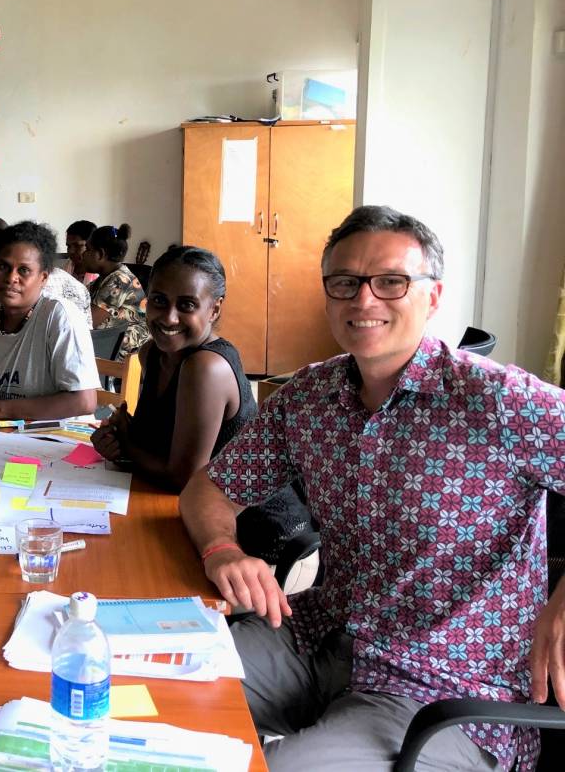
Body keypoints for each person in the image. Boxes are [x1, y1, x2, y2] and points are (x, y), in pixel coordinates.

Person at [179, 206, 565, 771]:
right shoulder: (310, 396)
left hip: (439, 689)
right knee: (141, 689)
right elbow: (207, 491)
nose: (364, 300)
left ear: (433, 297)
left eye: (391, 282)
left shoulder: (498, 402)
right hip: (315, 640)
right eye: (345, 283)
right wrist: (223, 550)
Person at [91, 245, 254, 491]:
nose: (169, 318)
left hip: (244, 519)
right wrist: (115, 439)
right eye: (159, 301)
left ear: (215, 309)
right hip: (184, 505)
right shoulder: (151, 353)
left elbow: (184, 478)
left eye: (187, 305)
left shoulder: (206, 367)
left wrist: (127, 443)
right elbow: (156, 443)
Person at [0, 221, 99, 421]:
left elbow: (84, 402)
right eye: (3, 266)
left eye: (24, 270)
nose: (11, 278)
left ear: (43, 278)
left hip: (62, 438)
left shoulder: (60, 316)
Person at [82, 224, 149, 359]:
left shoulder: (119, 281)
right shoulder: (105, 278)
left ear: (100, 254)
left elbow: (88, 322)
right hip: (109, 342)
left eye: (87, 249)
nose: (83, 254)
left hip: (124, 352)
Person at [63, 219, 97, 285]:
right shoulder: (66, 268)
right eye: (68, 246)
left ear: (91, 246)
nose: (71, 251)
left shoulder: (100, 275)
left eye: (77, 246)